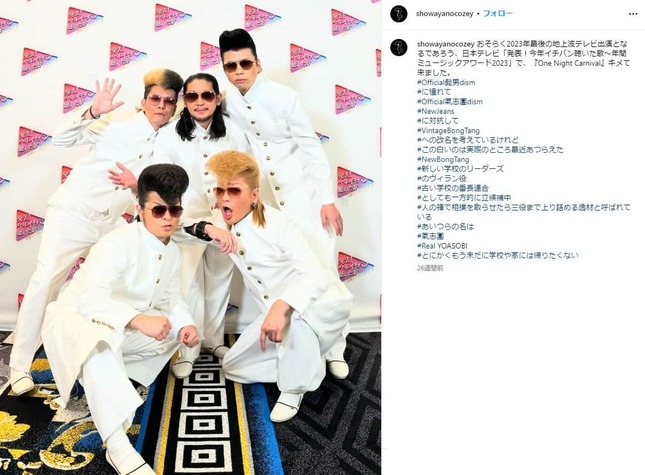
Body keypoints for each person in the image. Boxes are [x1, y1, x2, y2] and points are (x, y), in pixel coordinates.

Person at [8, 69, 183, 396]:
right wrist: (92, 111)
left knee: (122, 282)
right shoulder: (115, 124)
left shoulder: (170, 143)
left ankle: (105, 356)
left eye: (168, 101)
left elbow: (156, 189)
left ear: (175, 106)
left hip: (111, 222)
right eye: (155, 98)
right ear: (144, 100)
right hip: (73, 213)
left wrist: (137, 184)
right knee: (46, 281)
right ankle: (19, 366)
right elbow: (61, 140)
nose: (161, 105)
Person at [41, 163, 198, 475]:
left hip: (120, 324)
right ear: (139, 209)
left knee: (172, 333)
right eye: (158, 210)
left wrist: (186, 324)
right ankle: (117, 447)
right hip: (79, 320)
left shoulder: (173, 251)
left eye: (175, 210)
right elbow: (89, 300)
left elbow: (170, 298)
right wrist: (138, 320)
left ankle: (106, 376)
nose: (168, 218)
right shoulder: (116, 243)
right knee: (98, 346)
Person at [218, 29, 351, 379]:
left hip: (304, 196)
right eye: (231, 66)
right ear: (225, 69)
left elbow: (311, 148)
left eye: (245, 63)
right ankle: (302, 341)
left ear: (258, 64)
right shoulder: (228, 102)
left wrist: (326, 200)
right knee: (287, 272)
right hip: (267, 202)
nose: (239, 70)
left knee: (323, 267)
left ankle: (335, 346)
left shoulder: (284, 97)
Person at [204, 150, 352, 423]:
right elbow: (184, 229)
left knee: (293, 318)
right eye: (220, 190)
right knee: (233, 366)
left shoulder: (278, 225)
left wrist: (282, 306)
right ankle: (311, 358)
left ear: (254, 195)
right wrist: (208, 229)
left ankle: (294, 388)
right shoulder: (221, 220)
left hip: (314, 306)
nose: (224, 197)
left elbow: (316, 276)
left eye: (234, 191)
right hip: (275, 312)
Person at [152, 72, 247, 378]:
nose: (200, 102)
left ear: (217, 98)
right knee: (188, 284)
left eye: (207, 95)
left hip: (224, 218)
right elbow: (161, 180)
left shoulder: (233, 131)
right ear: (185, 100)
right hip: (185, 220)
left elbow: (244, 172)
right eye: (192, 96)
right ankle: (187, 349)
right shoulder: (168, 135)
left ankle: (214, 341)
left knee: (219, 281)